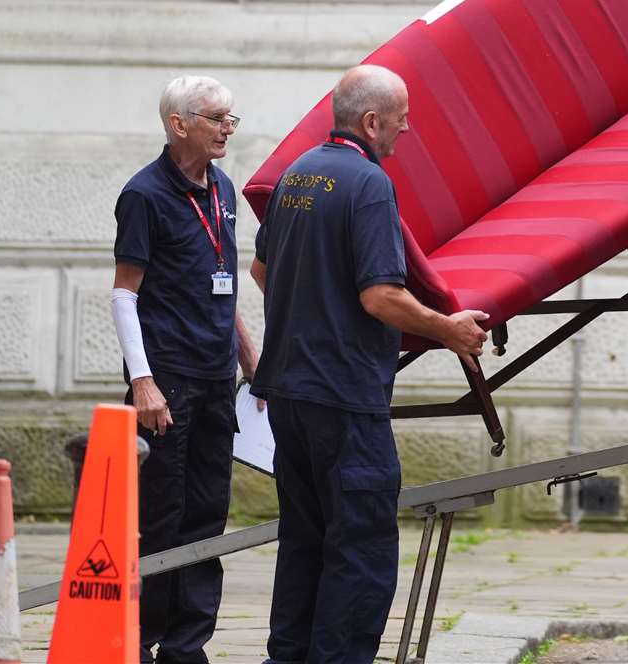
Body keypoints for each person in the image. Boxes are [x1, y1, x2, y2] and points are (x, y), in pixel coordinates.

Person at [249, 64, 489, 664]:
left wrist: (309, 310)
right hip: (344, 395)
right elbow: (380, 296)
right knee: (360, 549)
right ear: (371, 120)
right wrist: (448, 329)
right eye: (402, 120)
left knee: (304, 540)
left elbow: (262, 271)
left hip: (288, 392)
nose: (406, 131)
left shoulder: (295, 174)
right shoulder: (369, 184)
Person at [112, 75, 260, 664]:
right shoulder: (144, 195)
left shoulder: (222, 188)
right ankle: (141, 637)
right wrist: (141, 381)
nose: (228, 128)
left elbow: (223, 288)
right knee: (159, 517)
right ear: (180, 125)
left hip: (216, 378)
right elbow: (125, 295)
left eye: (231, 119)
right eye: (216, 118)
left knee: (207, 514)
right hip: (166, 380)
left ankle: (186, 645)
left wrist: (254, 364)